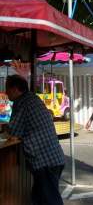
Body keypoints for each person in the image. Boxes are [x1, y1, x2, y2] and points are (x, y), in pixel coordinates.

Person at [5, 75, 65, 205]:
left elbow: (13, 131)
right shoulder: (33, 98)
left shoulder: (22, 102)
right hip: (54, 158)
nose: (6, 92)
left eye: (7, 89)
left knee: (50, 200)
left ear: (15, 89)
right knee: (38, 199)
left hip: (44, 161)